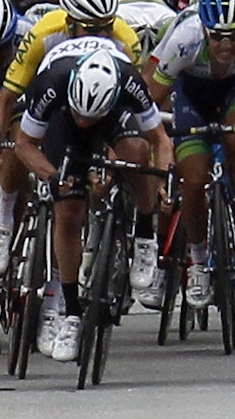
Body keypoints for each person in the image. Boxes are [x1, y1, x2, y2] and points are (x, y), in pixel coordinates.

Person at [13, 48, 174, 360]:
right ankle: (71, 312)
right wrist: (52, 176)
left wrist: (163, 181)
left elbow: (160, 141)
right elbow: (24, 144)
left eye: (91, 117)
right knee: (69, 214)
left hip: (114, 120)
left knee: (137, 153)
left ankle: (144, 236)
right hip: (63, 122)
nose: (85, 121)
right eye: (82, 115)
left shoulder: (129, 83)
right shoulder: (52, 83)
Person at [143, 0, 235, 306]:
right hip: (192, 95)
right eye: (217, 36)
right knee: (194, 180)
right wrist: (156, 143)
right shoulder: (183, 41)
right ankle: (200, 261)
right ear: (204, 29)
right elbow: (148, 101)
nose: (227, 44)